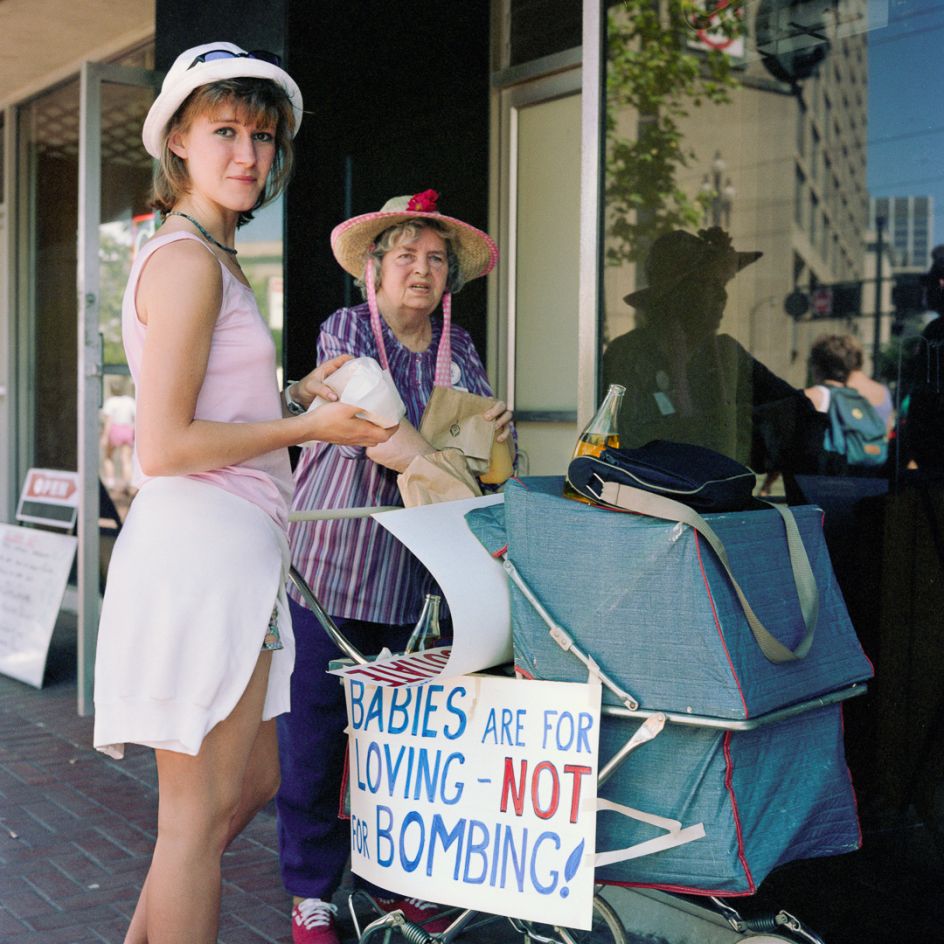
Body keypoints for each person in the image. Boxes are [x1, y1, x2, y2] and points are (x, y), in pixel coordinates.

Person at [91, 43, 392, 944]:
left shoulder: (208, 257)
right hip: (201, 553)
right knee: (193, 825)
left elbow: (209, 409)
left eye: (262, 136)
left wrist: (295, 395)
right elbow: (168, 444)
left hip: (235, 551)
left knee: (250, 784)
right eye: (224, 130)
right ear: (177, 138)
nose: (248, 154)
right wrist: (309, 430)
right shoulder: (185, 260)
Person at [277, 191, 512, 944]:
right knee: (314, 740)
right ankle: (312, 893)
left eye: (436, 258)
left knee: (398, 744)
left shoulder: (462, 348)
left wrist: (486, 440)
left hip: (419, 577)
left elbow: (480, 466)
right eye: (406, 254)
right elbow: (380, 430)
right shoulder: (345, 330)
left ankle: (390, 884)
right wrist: (446, 450)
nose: (422, 269)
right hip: (335, 563)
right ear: (373, 270)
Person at [602, 227, 823, 474]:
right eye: (709, 283)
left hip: (718, 498)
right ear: (676, 295)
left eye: (723, 283)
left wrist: (750, 433)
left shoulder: (727, 354)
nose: (722, 296)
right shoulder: (629, 355)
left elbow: (800, 414)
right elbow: (631, 442)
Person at [804, 333, 888, 471]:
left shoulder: (811, 396)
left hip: (823, 484)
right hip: (861, 482)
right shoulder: (859, 399)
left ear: (817, 366)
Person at [100, 375, 137, 496]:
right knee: (126, 459)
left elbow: (108, 421)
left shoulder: (110, 402)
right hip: (128, 430)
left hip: (114, 431)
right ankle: (128, 484)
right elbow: (135, 419)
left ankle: (110, 483)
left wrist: (105, 437)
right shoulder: (130, 401)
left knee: (108, 457)